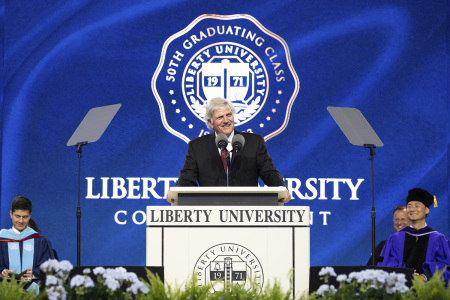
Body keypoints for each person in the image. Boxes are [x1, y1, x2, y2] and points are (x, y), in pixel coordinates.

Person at [167, 97, 291, 203]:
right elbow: (187, 178)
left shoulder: (254, 142)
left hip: (248, 211)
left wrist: (281, 188)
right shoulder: (197, 146)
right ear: (210, 123)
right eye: (220, 117)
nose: (226, 120)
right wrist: (176, 192)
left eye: (229, 115)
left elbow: (268, 171)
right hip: (210, 212)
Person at [378, 188, 450, 283]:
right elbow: (386, 266)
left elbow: (446, 266)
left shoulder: (439, 239)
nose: (412, 209)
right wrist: (406, 274)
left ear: (427, 210)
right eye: (409, 206)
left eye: (417, 206)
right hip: (401, 290)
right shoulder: (395, 239)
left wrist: (424, 277)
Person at [0, 196, 55, 282]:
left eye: (25, 217)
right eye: (17, 216)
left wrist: (34, 274)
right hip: (5, 292)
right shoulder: (2, 239)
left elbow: (50, 268)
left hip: (33, 292)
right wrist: (1, 272)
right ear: (11, 214)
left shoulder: (40, 241)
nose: (21, 221)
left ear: (30, 215)